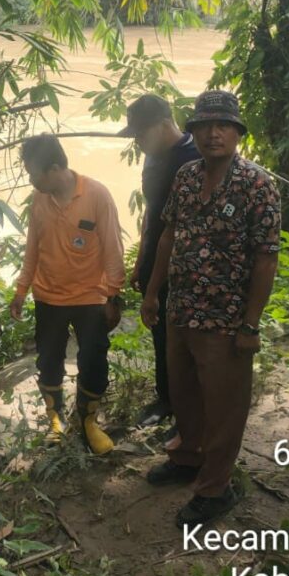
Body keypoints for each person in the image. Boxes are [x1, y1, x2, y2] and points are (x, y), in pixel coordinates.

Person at [141, 90, 281, 529]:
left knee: (224, 405)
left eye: (222, 126)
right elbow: (168, 235)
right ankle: (187, 458)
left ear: (237, 133)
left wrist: (250, 323)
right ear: (193, 132)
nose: (212, 134)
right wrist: (151, 292)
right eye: (203, 126)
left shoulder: (258, 184)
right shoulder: (184, 176)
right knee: (183, 392)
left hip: (226, 318)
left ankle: (215, 488)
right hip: (181, 309)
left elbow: (266, 257)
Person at [11, 134, 126, 455]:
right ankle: (55, 420)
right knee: (49, 361)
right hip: (48, 297)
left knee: (93, 360)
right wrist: (21, 289)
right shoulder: (40, 200)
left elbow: (113, 249)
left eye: (34, 173)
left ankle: (89, 421)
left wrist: (113, 296)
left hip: (91, 297)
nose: (31, 180)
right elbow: (32, 246)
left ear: (56, 167)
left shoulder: (97, 196)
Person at [118, 94, 201, 429]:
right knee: (160, 333)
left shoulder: (195, 157)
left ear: (165, 124)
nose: (137, 142)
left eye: (141, 134)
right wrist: (142, 260)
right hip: (157, 259)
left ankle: (189, 411)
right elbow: (152, 214)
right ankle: (166, 398)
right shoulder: (152, 158)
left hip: (189, 267)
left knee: (186, 340)